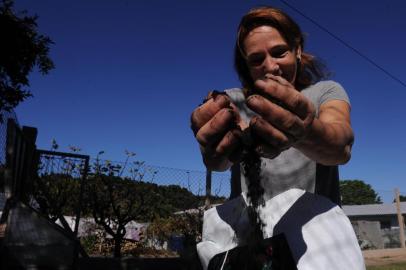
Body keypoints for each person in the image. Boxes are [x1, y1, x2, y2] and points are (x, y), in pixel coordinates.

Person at [191, 6, 364, 270]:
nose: (270, 67)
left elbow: (340, 144)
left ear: (297, 49)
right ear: (246, 66)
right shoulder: (235, 101)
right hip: (251, 246)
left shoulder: (324, 92)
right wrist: (213, 149)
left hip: (316, 244)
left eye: (279, 52)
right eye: (257, 59)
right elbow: (218, 162)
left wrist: (305, 131)